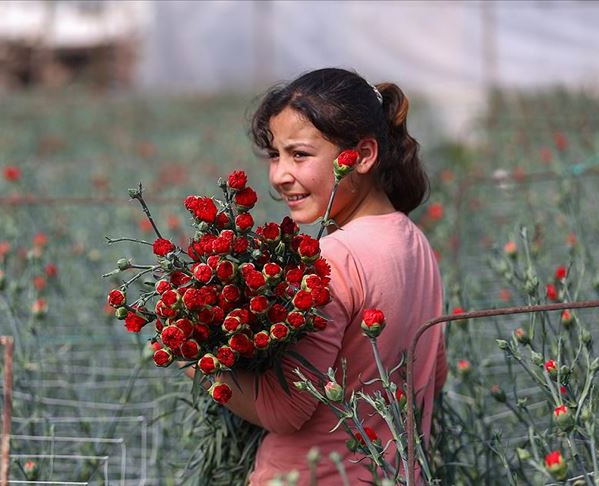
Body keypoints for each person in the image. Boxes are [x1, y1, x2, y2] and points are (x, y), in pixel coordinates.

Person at [186, 68, 447, 484]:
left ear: (362, 155)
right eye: (275, 155)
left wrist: (199, 357)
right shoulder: (415, 244)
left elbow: (286, 409)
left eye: (300, 154)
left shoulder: (333, 260)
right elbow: (433, 373)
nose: (279, 175)